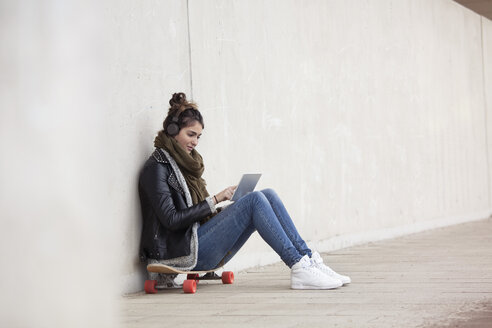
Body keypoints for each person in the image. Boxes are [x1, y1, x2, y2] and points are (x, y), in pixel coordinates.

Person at [138, 92, 351, 290]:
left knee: (267, 194)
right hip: (182, 252)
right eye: (191, 134)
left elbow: (193, 214)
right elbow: (172, 220)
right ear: (173, 131)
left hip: (195, 241)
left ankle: (307, 259)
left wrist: (220, 209)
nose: (195, 142)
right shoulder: (157, 167)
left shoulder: (184, 165)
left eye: (199, 137)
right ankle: (298, 267)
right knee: (254, 200)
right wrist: (215, 199)